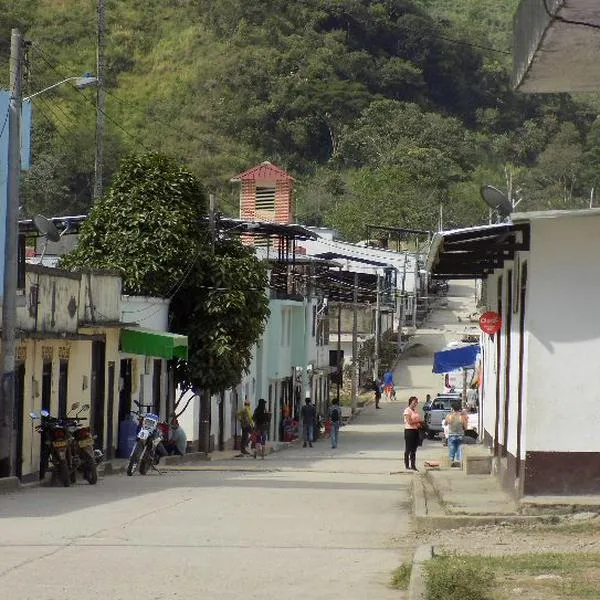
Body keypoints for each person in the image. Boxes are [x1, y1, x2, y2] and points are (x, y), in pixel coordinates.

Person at [444, 402, 468, 467]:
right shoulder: (462, 417)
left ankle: (451, 462)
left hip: (451, 435)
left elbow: (445, 423)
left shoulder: (449, 416)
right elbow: (465, 428)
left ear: (452, 408)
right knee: (459, 450)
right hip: (460, 435)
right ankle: (459, 463)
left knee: (451, 450)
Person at [403, 396, 422, 471]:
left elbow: (417, 420)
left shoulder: (415, 411)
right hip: (409, 431)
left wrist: (421, 425)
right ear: (410, 402)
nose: (415, 404)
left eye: (416, 402)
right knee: (408, 449)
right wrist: (418, 422)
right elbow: (409, 422)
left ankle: (413, 465)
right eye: (414, 402)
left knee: (414, 449)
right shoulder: (407, 411)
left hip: (415, 430)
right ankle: (407, 465)